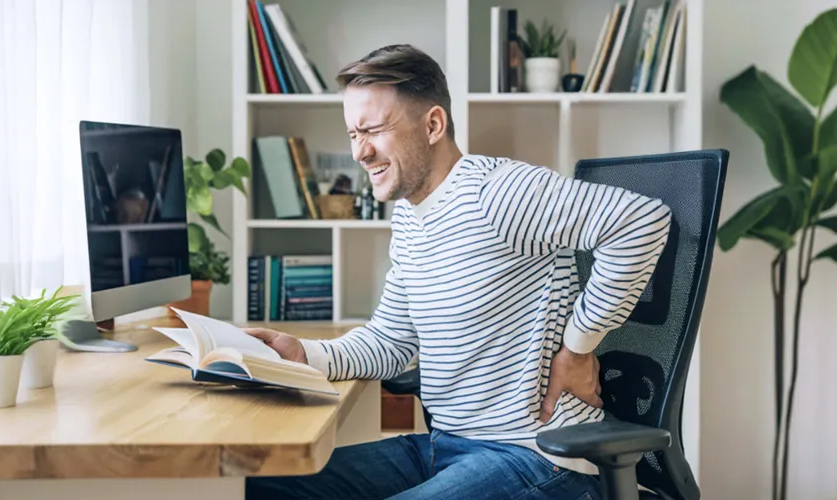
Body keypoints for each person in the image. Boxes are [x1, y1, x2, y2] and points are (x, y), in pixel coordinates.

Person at [243, 44, 672, 500]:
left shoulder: (498, 192)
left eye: (373, 130)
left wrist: (578, 347)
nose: (360, 152)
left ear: (433, 125)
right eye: (353, 133)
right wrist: (305, 354)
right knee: (259, 485)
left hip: (536, 456)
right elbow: (391, 342)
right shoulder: (409, 217)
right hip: (445, 446)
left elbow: (642, 221)